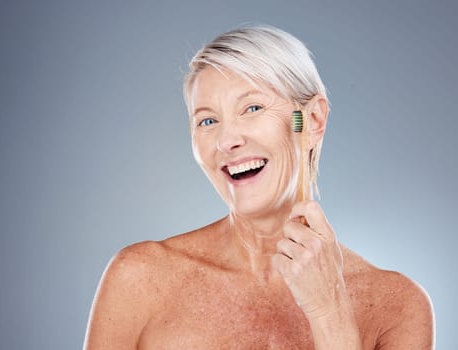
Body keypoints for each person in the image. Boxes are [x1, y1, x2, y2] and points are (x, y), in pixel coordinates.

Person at [84, 25, 435, 349]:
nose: (227, 139)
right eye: (207, 120)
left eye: (252, 108)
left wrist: (330, 312)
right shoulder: (139, 279)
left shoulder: (398, 307)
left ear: (312, 120)